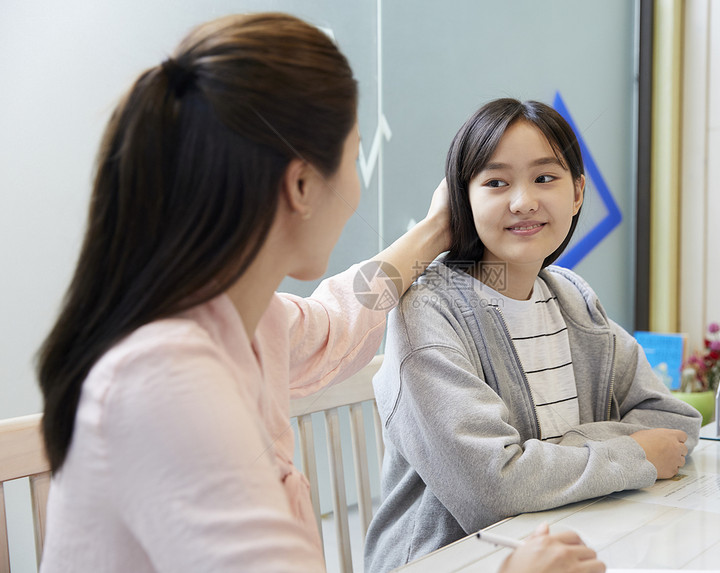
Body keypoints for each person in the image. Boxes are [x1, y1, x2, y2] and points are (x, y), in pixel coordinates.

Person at [36, 13, 602, 573]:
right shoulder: (168, 382)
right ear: (302, 184)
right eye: (356, 156)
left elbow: (340, 316)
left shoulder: (245, 322)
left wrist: (435, 230)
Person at [364, 98, 702, 573]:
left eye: (545, 178)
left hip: (571, 539)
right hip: (453, 559)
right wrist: (631, 453)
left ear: (578, 193)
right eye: (496, 182)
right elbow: (494, 490)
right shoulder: (427, 310)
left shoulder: (572, 296)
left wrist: (548, 456)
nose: (523, 201)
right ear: (465, 199)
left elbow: (676, 423)